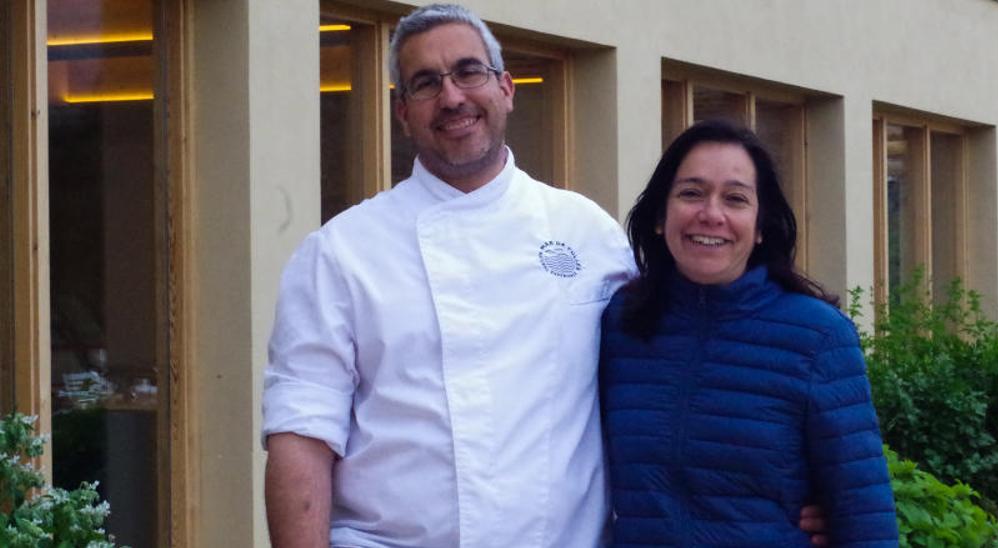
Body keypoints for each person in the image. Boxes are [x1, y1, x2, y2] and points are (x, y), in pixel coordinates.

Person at [261, 4, 634, 547]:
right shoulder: (339, 254)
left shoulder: (587, 232)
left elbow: (663, 379)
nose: (453, 96)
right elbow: (301, 436)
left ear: (506, 88)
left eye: (468, 72)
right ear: (403, 112)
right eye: (426, 83)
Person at [600, 120, 899, 546]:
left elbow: (864, 514)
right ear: (660, 217)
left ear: (761, 226)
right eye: (691, 193)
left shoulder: (817, 337)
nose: (711, 214)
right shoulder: (620, 325)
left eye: (736, 198)